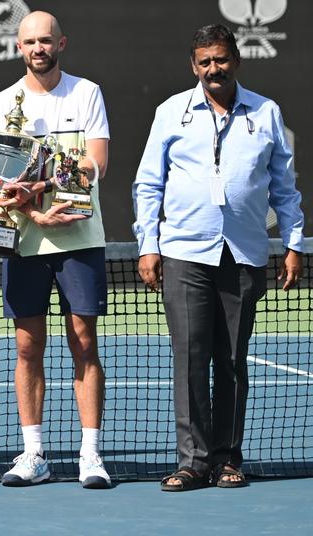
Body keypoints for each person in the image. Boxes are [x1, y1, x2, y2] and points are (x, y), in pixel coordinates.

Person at [133, 24, 304, 492]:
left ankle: (228, 459)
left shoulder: (265, 113)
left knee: (231, 360)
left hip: (245, 252)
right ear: (194, 66)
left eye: (221, 59)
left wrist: (294, 243)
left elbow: (285, 189)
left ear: (236, 61)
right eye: (205, 61)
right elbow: (148, 184)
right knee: (190, 359)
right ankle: (193, 462)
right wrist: (149, 243)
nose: (214, 68)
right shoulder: (171, 113)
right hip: (185, 252)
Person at [0, 11, 112, 488]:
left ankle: (90, 455)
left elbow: (97, 163)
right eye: (30, 42)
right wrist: (33, 208)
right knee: (26, 347)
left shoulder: (87, 93)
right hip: (24, 239)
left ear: (62, 43)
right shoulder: (1, 104)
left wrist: (43, 185)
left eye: (46, 41)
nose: (38, 48)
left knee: (83, 342)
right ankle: (33, 453)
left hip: (80, 238)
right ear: (19, 47)